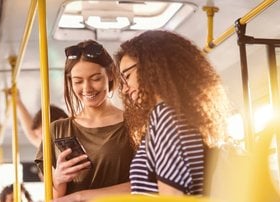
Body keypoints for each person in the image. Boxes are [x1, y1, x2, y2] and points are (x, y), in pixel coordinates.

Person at [114, 30, 229, 196]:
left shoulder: (165, 116)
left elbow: (172, 195)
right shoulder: (184, 115)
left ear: (150, 66)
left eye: (127, 76)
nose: (124, 89)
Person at [35, 40, 134, 201]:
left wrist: (81, 197)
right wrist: (58, 179)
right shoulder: (57, 130)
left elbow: (147, 185)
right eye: (78, 81)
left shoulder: (134, 123)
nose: (87, 88)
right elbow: (53, 198)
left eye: (95, 78)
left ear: (110, 74)